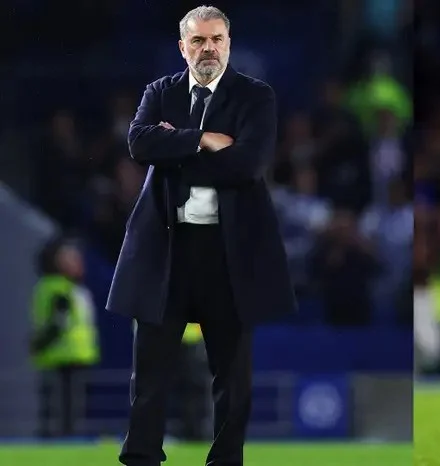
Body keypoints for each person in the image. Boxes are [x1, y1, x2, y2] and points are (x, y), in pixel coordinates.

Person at [106, 6, 297, 466]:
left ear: (228, 44)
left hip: (228, 254)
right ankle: (141, 459)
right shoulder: (160, 91)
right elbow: (138, 144)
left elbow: (248, 165)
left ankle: (225, 462)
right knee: (149, 373)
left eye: (216, 39)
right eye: (198, 41)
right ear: (182, 47)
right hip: (165, 250)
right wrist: (205, 139)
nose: (208, 48)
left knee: (233, 377)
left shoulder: (256, 97)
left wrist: (175, 146)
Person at [30, 236, 100, 438]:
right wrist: (40, 344)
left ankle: (65, 440)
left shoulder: (73, 287)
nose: (78, 262)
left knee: (70, 410)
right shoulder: (58, 287)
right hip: (61, 357)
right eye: (70, 258)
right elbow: (57, 323)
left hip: (76, 356)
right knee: (61, 410)